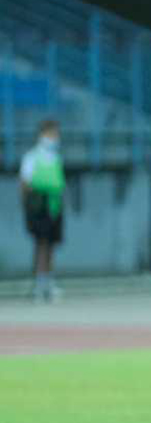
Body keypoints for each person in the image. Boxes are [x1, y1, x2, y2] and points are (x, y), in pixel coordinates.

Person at [19, 119, 65, 303]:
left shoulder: (56, 158)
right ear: (43, 134)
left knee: (51, 245)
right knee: (41, 244)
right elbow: (24, 183)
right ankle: (39, 283)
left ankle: (49, 282)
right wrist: (26, 206)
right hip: (38, 206)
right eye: (53, 134)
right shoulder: (31, 157)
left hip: (53, 206)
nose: (56, 138)